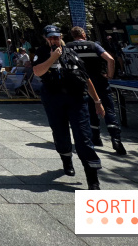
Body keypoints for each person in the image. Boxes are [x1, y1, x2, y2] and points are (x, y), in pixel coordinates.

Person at [33, 25, 105, 189]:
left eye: (56, 37)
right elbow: (37, 71)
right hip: (54, 98)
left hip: (76, 98)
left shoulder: (71, 53)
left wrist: (97, 101)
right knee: (60, 132)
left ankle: (92, 178)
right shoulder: (42, 52)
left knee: (83, 136)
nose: (54, 40)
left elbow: (85, 78)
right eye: (50, 38)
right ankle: (67, 160)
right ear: (45, 38)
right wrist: (52, 58)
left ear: (61, 37)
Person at [67, 26, 125, 155]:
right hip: (99, 80)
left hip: (81, 83)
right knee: (108, 109)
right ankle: (116, 139)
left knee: (90, 109)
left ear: (73, 35)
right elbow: (110, 59)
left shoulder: (69, 47)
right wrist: (110, 75)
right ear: (83, 34)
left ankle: (96, 137)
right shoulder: (93, 45)